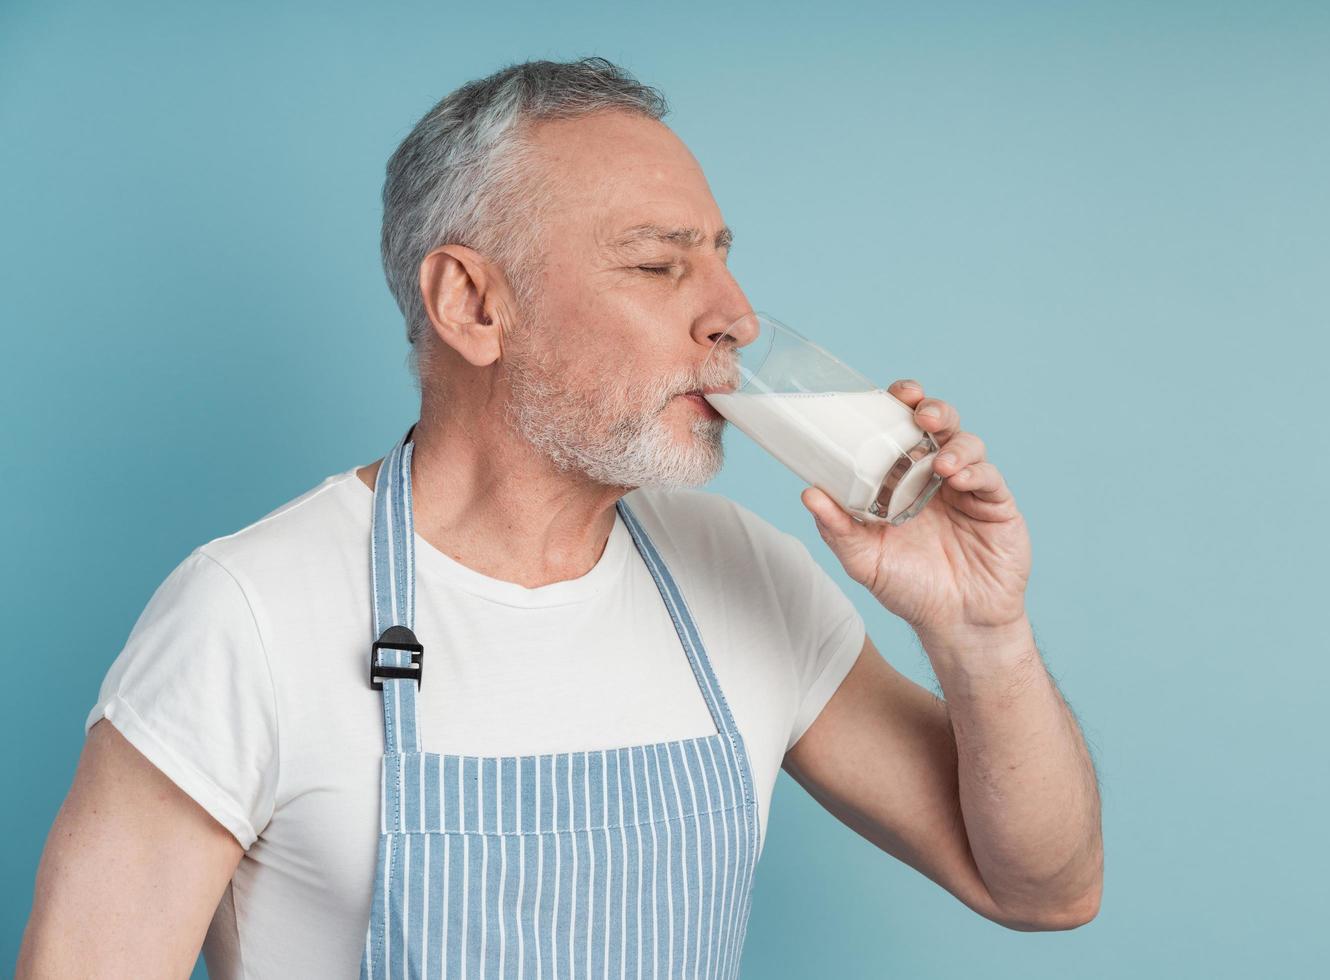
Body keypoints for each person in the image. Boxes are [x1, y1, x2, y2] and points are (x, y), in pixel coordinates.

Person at [18, 57, 1102, 979]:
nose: (733, 315)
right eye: (658, 263)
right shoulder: (247, 614)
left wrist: (980, 629)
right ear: (473, 305)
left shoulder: (743, 573)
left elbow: (1044, 887)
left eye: (722, 255)